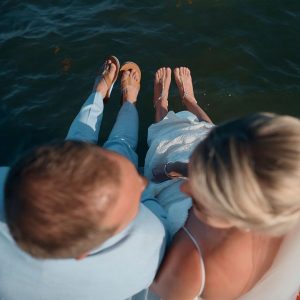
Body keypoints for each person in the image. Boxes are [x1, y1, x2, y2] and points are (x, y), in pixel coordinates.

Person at [0, 57, 169, 300]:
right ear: (83, 253)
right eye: (137, 184)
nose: (142, 182)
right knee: (119, 147)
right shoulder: (147, 247)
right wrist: (145, 194)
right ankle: (127, 101)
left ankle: (99, 93)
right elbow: (158, 213)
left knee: (76, 151)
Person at [144, 67, 300, 299]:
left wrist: (170, 169)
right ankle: (190, 101)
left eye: (207, 192)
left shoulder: (190, 262)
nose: (187, 187)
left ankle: (162, 107)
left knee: (169, 148)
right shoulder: (285, 200)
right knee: (206, 134)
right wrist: (183, 169)